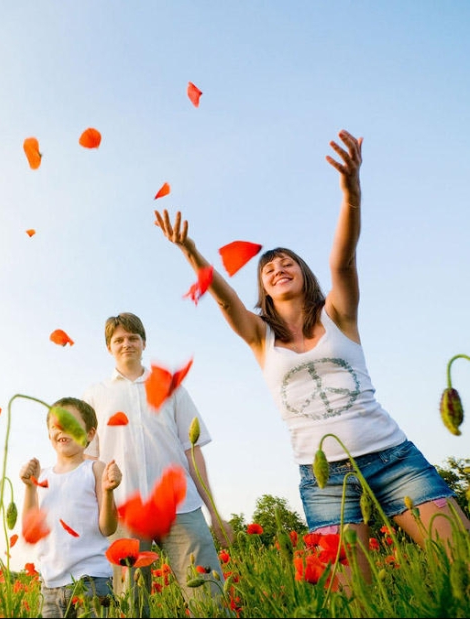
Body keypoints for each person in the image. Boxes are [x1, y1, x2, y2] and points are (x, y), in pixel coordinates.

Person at [154, 128, 470, 583]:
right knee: (354, 597)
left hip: (393, 458)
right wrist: (189, 250)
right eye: (268, 268)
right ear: (262, 287)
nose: (278, 268)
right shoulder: (258, 336)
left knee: (460, 559)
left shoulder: (340, 314)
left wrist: (351, 192)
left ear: (303, 273)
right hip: (324, 479)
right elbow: (224, 299)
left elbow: (343, 261)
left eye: (287, 262)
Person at [83, 312, 232, 616]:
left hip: (181, 508)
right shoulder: (94, 395)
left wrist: (214, 513)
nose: (127, 344)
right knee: (131, 605)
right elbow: (90, 462)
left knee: (209, 598)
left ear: (144, 342)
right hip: (124, 511)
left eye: (133, 338)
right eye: (119, 340)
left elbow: (192, 451)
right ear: (109, 347)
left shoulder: (170, 387)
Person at [20, 397, 122, 618]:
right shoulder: (43, 477)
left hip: (92, 582)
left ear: (90, 434)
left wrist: (108, 491)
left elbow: (108, 528)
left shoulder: (95, 469)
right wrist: (29, 487)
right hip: (50, 586)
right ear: (49, 435)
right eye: (56, 426)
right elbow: (30, 530)